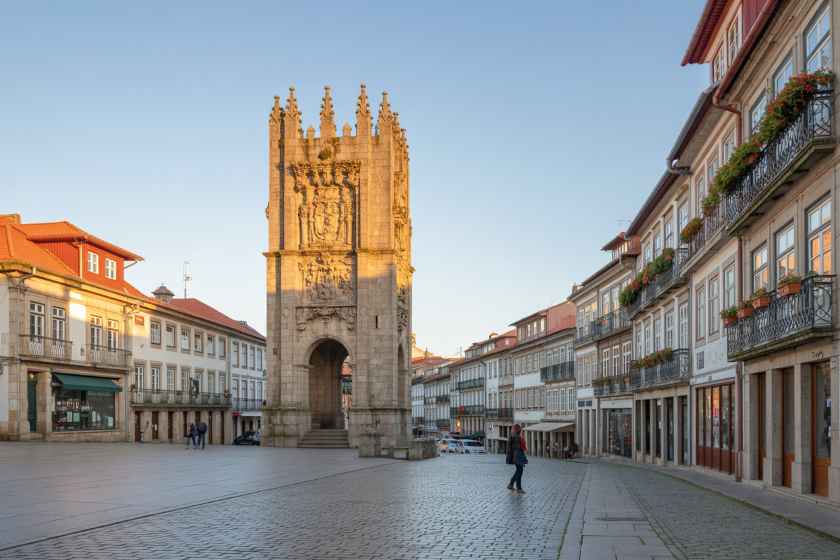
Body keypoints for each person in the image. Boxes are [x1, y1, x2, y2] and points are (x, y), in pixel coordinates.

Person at [505, 424, 528, 494]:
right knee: (519, 471)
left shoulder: (513, 435)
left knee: (519, 470)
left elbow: (510, 447)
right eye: (520, 429)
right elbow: (518, 447)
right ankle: (517, 487)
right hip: (517, 455)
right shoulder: (516, 436)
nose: (520, 430)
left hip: (516, 455)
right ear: (518, 430)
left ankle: (512, 485)